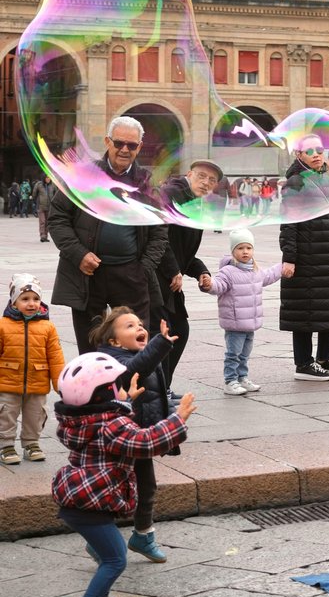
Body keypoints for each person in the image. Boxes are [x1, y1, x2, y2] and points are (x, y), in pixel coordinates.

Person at [52, 351, 194, 597]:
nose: (119, 388)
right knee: (115, 558)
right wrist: (178, 419)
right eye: (115, 386)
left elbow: (108, 420)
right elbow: (145, 441)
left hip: (80, 496)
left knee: (110, 555)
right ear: (103, 394)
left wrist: (125, 400)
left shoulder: (83, 420)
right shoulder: (111, 425)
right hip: (89, 502)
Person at [49, 116, 167, 355]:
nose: (124, 149)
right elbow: (57, 218)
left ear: (139, 147)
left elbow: (160, 229)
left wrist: (143, 268)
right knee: (90, 340)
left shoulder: (146, 181)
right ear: (107, 142)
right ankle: (95, 391)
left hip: (130, 274)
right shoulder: (82, 175)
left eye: (131, 145)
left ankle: (132, 391)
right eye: (119, 143)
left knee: (135, 343)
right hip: (87, 272)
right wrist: (79, 254)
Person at [90, 307, 177, 563]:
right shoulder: (112, 360)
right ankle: (100, 542)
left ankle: (143, 535)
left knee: (147, 486)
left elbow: (157, 395)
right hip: (117, 440)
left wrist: (170, 419)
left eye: (139, 324)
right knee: (114, 490)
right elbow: (135, 369)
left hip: (138, 437)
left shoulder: (141, 353)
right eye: (130, 326)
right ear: (113, 341)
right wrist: (160, 343)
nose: (139, 328)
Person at [279, 134, 329, 380]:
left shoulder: (324, 177)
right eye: (309, 151)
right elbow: (289, 224)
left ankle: (323, 358)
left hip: (328, 254)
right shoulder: (296, 181)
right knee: (305, 312)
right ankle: (304, 364)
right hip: (306, 256)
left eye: (319, 149)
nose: (316, 154)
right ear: (299, 155)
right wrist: (290, 258)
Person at [156, 160, 220, 391]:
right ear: (189, 174)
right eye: (202, 176)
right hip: (155, 277)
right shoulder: (172, 193)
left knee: (180, 331)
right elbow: (160, 238)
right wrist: (173, 269)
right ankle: (158, 390)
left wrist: (201, 271)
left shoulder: (196, 204)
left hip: (169, 280)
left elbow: (185, 252)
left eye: (212, 180)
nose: (206, 183)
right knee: (164, 334)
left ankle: (163, 388)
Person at [200, 228, 282, 395]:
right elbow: (218, 285)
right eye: (240, 248)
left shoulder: (255, 270)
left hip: (250, 322)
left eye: (248, 248)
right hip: (235, 322)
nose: (245, 251)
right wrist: (209, 285)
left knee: (244, 354)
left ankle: (242, 377)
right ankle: (230, 381)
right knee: (233, 354)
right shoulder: (228, 271)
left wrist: (283, 265)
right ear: (233, 251)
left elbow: (269, 275)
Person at [0, 273, 65, 465]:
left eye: (36, 299)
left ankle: (31, 443)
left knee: (35, 415)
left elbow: (55, 357)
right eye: (25, 299)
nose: (31, 303)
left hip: (38, 381)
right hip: (8, 380)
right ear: (14, 302)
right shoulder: (3, 326)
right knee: (6, 414)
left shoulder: (48, 327)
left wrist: (60, 382)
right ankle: (6, 445)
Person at [32, 174, 56, 242]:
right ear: (44, 178)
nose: (48, 179)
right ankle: (42, 236)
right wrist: (36, 202)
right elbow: (34, 194)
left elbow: (56, 194)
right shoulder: (39, 184)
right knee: (42, 221)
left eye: (49, 178)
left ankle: (46, 236)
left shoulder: (53, 185)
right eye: (47, 178)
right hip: (41, 206)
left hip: (50, 207)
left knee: (48, 222)